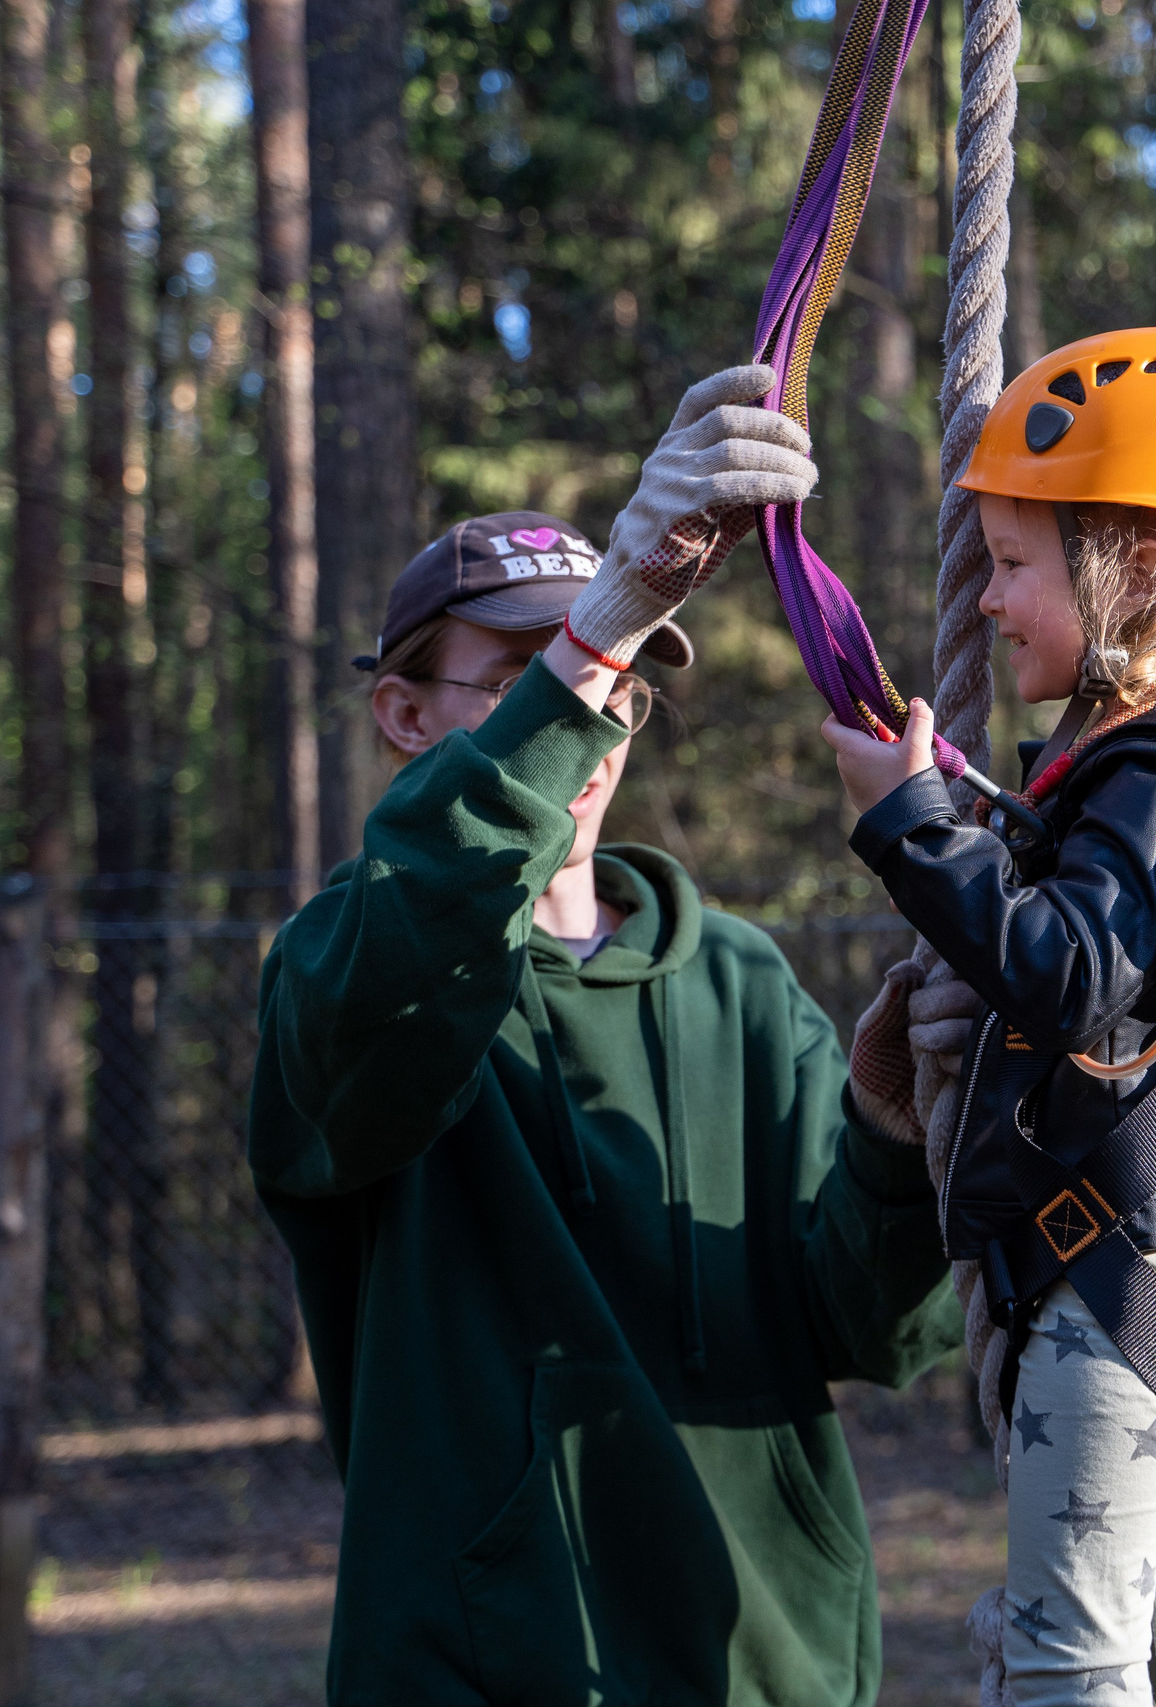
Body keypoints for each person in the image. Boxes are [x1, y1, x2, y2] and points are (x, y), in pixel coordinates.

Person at [247, 364, 965, 1707]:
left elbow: (884, 1335)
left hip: (769, 1671)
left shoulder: (740, 982)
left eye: (621, 681)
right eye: (523, 677)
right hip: (483, 1677)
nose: (594, 720)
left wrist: (894, 1136)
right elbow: (407, 958)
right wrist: (596, 632)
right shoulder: (344, 968)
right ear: (404, 715)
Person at [820, 328, 1156, 1706]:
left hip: (1137, 1256)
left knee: (1068, 1661)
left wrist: (909, 827)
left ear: (1145, 570)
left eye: (1012, 564)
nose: (988, 599)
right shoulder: (1149, 771)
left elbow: (1072, 972)